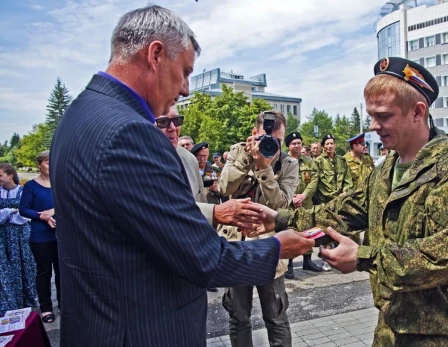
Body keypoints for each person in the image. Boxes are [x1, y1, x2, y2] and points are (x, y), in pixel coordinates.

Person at [49, 6, 313, 347]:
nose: (186, 89)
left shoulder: (81, 114)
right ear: (156, 55)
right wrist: (277, 246)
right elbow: (202, 258)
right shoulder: (129, 133)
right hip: (143, 331)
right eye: (185, 72)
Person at [263, 57, 448, 346]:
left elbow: (447, 254)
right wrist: (279, 218)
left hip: (444, 329)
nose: (373, 126)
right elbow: (344, 210)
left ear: (418, 112)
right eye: (371, 116)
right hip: (393, 318)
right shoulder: (385, 170)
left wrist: (362, 257)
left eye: (383, 116)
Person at [218, 111, 298, 347]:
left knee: (276, 316)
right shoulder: (238, 152)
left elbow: (282, 205)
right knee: (239, 316)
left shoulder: (288, 163)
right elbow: (224, 187)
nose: (272, 145)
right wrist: (248, 159)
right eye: (266, 138)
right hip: (237, 246)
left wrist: (265, 169)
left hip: (269, 249)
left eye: (278, 141)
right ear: (254, 134)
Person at [18, 151, 59, 323]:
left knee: (62, 271)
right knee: (44, 272)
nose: (51, 164)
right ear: (39, 164)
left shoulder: (60, 183)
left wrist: (54, 211)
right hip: (40, 235)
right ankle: (46, 308)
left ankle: (65, 304)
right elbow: (23, 209)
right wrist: (41, 215)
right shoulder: (31, 186)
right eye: (48, 161)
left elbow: (68, 201)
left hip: (61, 233)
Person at [0, 163, 38, 317]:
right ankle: (14, 300)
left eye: (0, 175)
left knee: (26, 265)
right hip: (4, 236)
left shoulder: (23, 191)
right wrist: (12, 210)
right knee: (8, 268)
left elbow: (25, 215)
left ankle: (29, 299)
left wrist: (7, 213)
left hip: (22, 234)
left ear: (10, 175)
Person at [285, 131, 322, 278]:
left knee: (308, 232)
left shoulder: (309, 162)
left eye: (299, 143)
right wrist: (291, 196)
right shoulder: (282, 161)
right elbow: (277, 180)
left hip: (305, 203)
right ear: (288, 145)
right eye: (294, 143)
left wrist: (304, 195)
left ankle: (307, 260)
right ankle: (288, 265)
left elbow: (314, 180)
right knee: (289, 232)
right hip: (288, 203)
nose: (297, 145)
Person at [314, 134, 353, 205]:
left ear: (335, 145)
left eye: (331, 143)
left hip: (342, 200)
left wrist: (345, 192)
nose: (329, 146)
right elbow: (319, 184)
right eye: (327, 144)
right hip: (325, 202)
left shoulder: (342, 160)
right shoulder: (318, 162)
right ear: (323, 146)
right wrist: (335, 196)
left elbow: (348, 180)